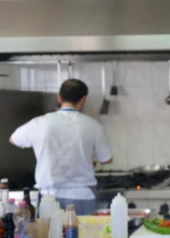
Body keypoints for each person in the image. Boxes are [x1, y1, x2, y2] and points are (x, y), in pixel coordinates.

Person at [9, 79, 113, 215]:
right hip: (81, 197)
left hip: (48, 199)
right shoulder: (93, 126)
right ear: (83, 99)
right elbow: (106, 159)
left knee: (50, 236)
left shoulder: (40, 122)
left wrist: (44, 149)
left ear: (59, 97)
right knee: (83, 236)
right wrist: (89, 158)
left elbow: (14, 139)